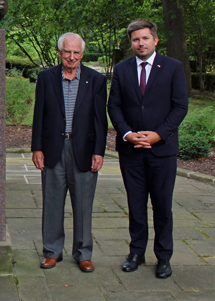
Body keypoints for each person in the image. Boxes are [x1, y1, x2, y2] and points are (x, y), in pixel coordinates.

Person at [108, 19, 188, 279]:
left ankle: (164, 257)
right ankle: (136, 252)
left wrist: (158, 135)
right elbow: (114, 107)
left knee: (163, 206)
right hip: (131, 151)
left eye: (144, 38)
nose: (140, 43)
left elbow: (180, 107)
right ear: (130, 43)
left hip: (161, 151)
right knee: (135, 205)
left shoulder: (173, 68)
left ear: (155, 39)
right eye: (135, 39)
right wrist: (128, 134)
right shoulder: (121, 69)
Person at [31, 33, 107, 273]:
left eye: (76, 52)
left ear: (82, 54)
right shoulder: (46, 78)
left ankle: (83, 253)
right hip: (54, 149)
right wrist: (37, 147)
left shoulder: (95, 80)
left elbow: (100, 120)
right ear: (60, 53)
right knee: (52, 203)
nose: (71, 57)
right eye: (67, 52)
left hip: (84, 150)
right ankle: (52, 252)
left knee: (83, 204)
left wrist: (99, 151)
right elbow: (39, 115)